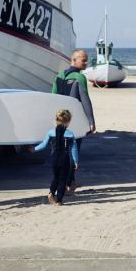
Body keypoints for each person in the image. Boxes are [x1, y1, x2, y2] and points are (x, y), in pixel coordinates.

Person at [52, 49, 96, 193]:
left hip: (60, 121)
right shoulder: (79, 77)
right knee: (72, 152)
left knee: (60, 152)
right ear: (74, 60)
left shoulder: (58, 76)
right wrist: (91, 121)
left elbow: (53, 99)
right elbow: (85, 101)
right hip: (74, 121)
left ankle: (65, 183)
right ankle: (69, 184)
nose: (85, 62)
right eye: (83, 60)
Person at [34, 109, 79, 206]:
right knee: (63, 179)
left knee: (56, 177)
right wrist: (75, 161)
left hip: (54, 158)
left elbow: (43, 144)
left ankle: (51, 192)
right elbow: (73, 149)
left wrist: (34, 149)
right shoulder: (70, 134)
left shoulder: (51, 132)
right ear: (68, 122)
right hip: (64, 158)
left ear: (56, 120)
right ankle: (59, 200)